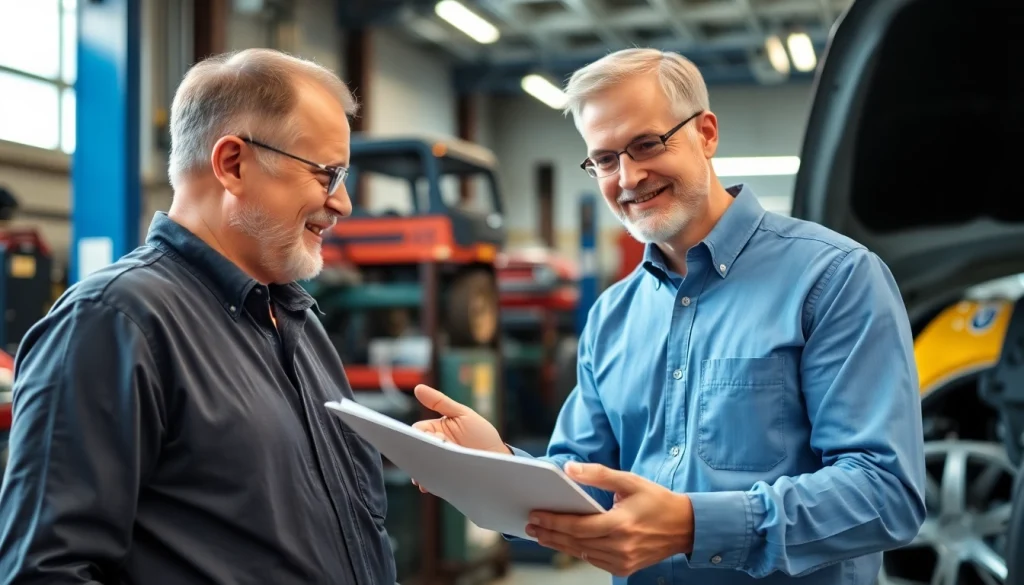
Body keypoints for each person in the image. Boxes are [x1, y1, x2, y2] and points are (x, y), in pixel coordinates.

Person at [411, 48, 927, 584]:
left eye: (646, 144)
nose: (628, 177)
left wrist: (693, 525)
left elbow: (884, 493)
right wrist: (495, 467)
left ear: (705, 134)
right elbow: (585, 484)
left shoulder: (833, 279)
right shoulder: (612, 315)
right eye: (605, 160)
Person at [0, 48, 396, 584]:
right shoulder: (113, 323)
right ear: (233, 163)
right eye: (328, 175)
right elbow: (47, 571)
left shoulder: (296, 323)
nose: (343, 203)